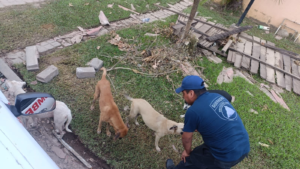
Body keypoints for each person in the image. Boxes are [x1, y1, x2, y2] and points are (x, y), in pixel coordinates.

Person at [166, 75, 250, 169]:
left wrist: (187, 152)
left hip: (225, 154)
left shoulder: (193, 111)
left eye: (183, 93)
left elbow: (186, 138)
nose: (183, 96)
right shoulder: (217, 96)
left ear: (191, 93)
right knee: (200, 153)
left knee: (192, 161)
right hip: (244, 146)